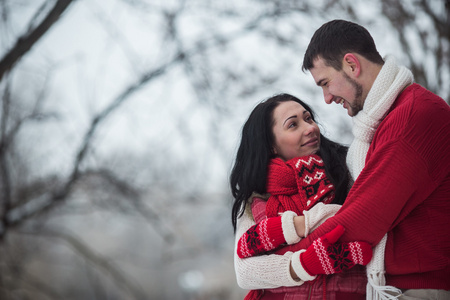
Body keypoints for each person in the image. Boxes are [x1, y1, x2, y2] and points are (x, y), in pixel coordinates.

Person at [282, 19, 450, 299]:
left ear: (351, 65)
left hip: (420, 289)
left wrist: (278, 263)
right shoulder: (384, 123)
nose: (325, 98)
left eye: (325, 83)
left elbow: (360, 221)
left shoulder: (414, 116)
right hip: (395, 287)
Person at [231, 93, 373, 299]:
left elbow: (363, 220)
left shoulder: (347, 170)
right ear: (271, 144)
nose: (310, 128)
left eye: (308, 118)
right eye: (293, 125)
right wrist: (304, 259)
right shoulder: (256, 197)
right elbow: (246, 272)